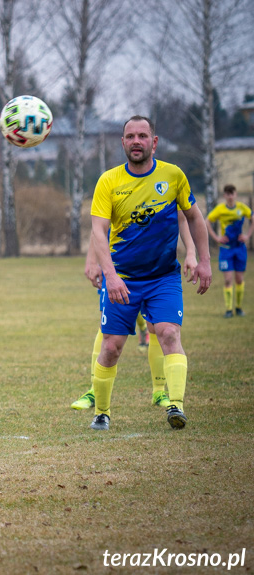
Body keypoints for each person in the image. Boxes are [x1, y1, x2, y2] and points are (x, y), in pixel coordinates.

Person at [88, 115, 211, 432]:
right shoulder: (109, 181)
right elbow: (98, 232)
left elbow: (193, 218)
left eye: (143, 135)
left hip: (163, 277)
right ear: (123, 142)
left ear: (154, 142)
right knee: (112, 346)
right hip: (123, 278)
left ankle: (176, 405)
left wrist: (202, 259)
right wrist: (111, 276)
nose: (136, 141)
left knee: (169, 333)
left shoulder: (173, 176)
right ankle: (102, 411)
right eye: (130, 136)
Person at [70, 212, 196, 411]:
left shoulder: (161, 185)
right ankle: (95, 390)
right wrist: (92, 261)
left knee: (158, 327)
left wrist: (191, 252)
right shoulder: (112, 183)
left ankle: (159, 391)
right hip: (117, 267)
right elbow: (99, 227)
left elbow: (184, 216)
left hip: (156, 269)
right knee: (107, 330)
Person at [206, 184, 251, 318]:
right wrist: (216, 238)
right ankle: (228, 309)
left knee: (239, 279)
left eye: (232, 193)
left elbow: (252, 218)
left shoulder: (242, 208)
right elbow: (206, 221)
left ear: (235, 194)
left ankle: (238, 307)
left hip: (240, 248)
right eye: (227, 193)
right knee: (228, 279)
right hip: (226, 249)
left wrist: (247, 236)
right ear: (224, 195)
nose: (230, 196)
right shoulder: (220, 209)